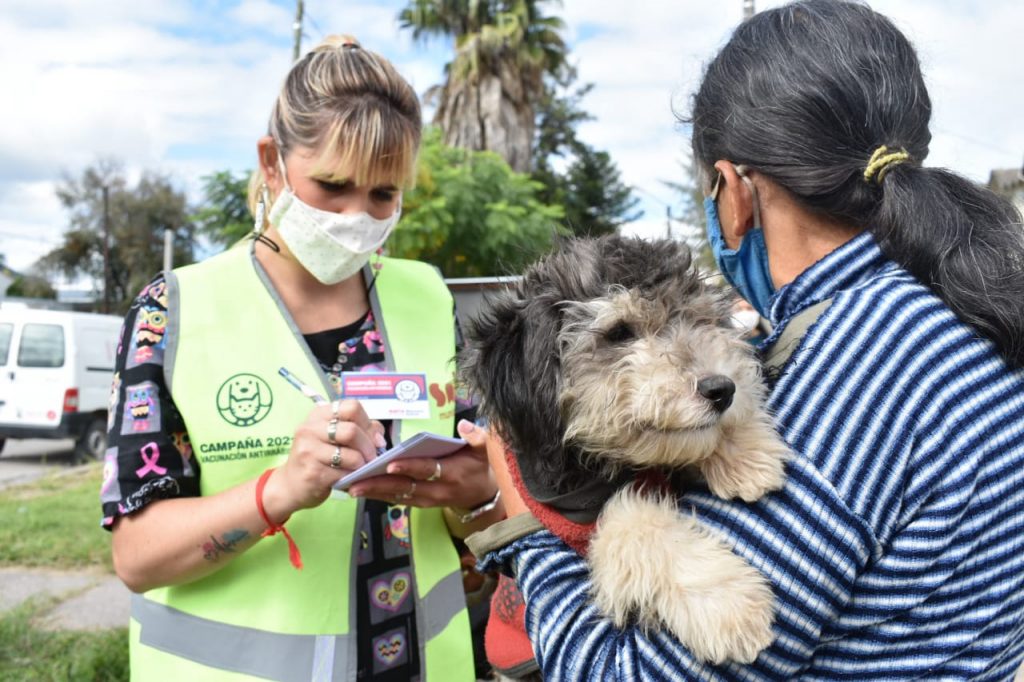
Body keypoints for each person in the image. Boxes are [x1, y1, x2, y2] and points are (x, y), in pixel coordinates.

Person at [464, 2, 1024, 679]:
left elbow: (630, 671)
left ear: (733, 192)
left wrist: (524, 523)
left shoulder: (861, 363)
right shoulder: (964, 305)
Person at [101, 35, 503, 681]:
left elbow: (479, 490)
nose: (356, 215)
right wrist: (279, 491)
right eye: (333, 185)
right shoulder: (172, 314)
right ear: (272, 162)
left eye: (383, 195)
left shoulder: (426, 297)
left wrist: (476, 491)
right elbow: (138, 556)